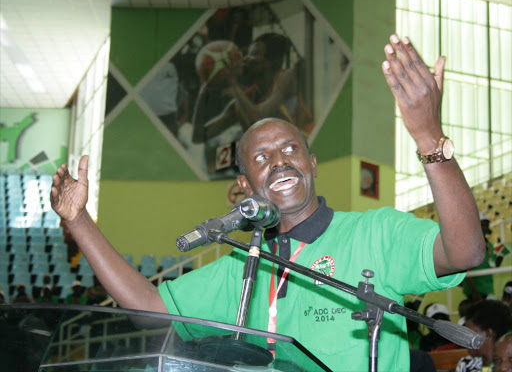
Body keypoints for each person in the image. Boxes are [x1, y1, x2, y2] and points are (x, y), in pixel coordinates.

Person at [50, 35, 486, 371]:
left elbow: (466, 250)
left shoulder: (374, 233)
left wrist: (429, 137)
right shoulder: (243, 267)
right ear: (246, 184)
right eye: (261, 157)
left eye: (290, 150)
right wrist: (81, 222)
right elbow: (150, 310)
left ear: (312, 165)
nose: (279, 161)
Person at [456, 300, 512, 372]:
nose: (465, 339)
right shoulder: (466, 365)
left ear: (489, 333)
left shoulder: (506, 368)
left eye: (470, 333)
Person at [461, 212, 499, 301]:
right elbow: (464, 270)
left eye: (487, 225)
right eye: (482, 225)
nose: (485, 228)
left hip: (488, 291)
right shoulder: (468, 244)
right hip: (474, 292)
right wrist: (474, 292)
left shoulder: (490, 245)